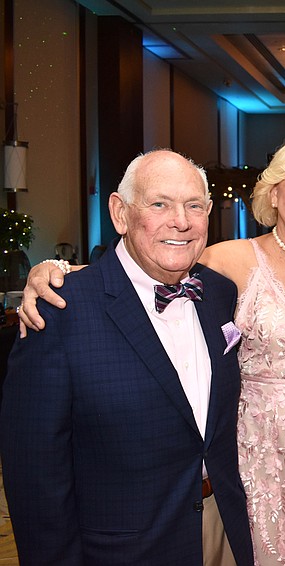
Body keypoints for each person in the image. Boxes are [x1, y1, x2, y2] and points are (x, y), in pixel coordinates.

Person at [20, 136, 285, 565]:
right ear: (274, 193)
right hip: (262, 469)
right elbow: (142, 271)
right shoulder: (228, 263)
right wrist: (54, 273)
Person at [1, 150, 254, 565]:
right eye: (160, 204)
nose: (181, 221)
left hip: (220, 528)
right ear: (120, 214)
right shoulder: (59, 311)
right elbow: (34, 475)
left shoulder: (219, 293)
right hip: (123, 549)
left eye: (194, 206)